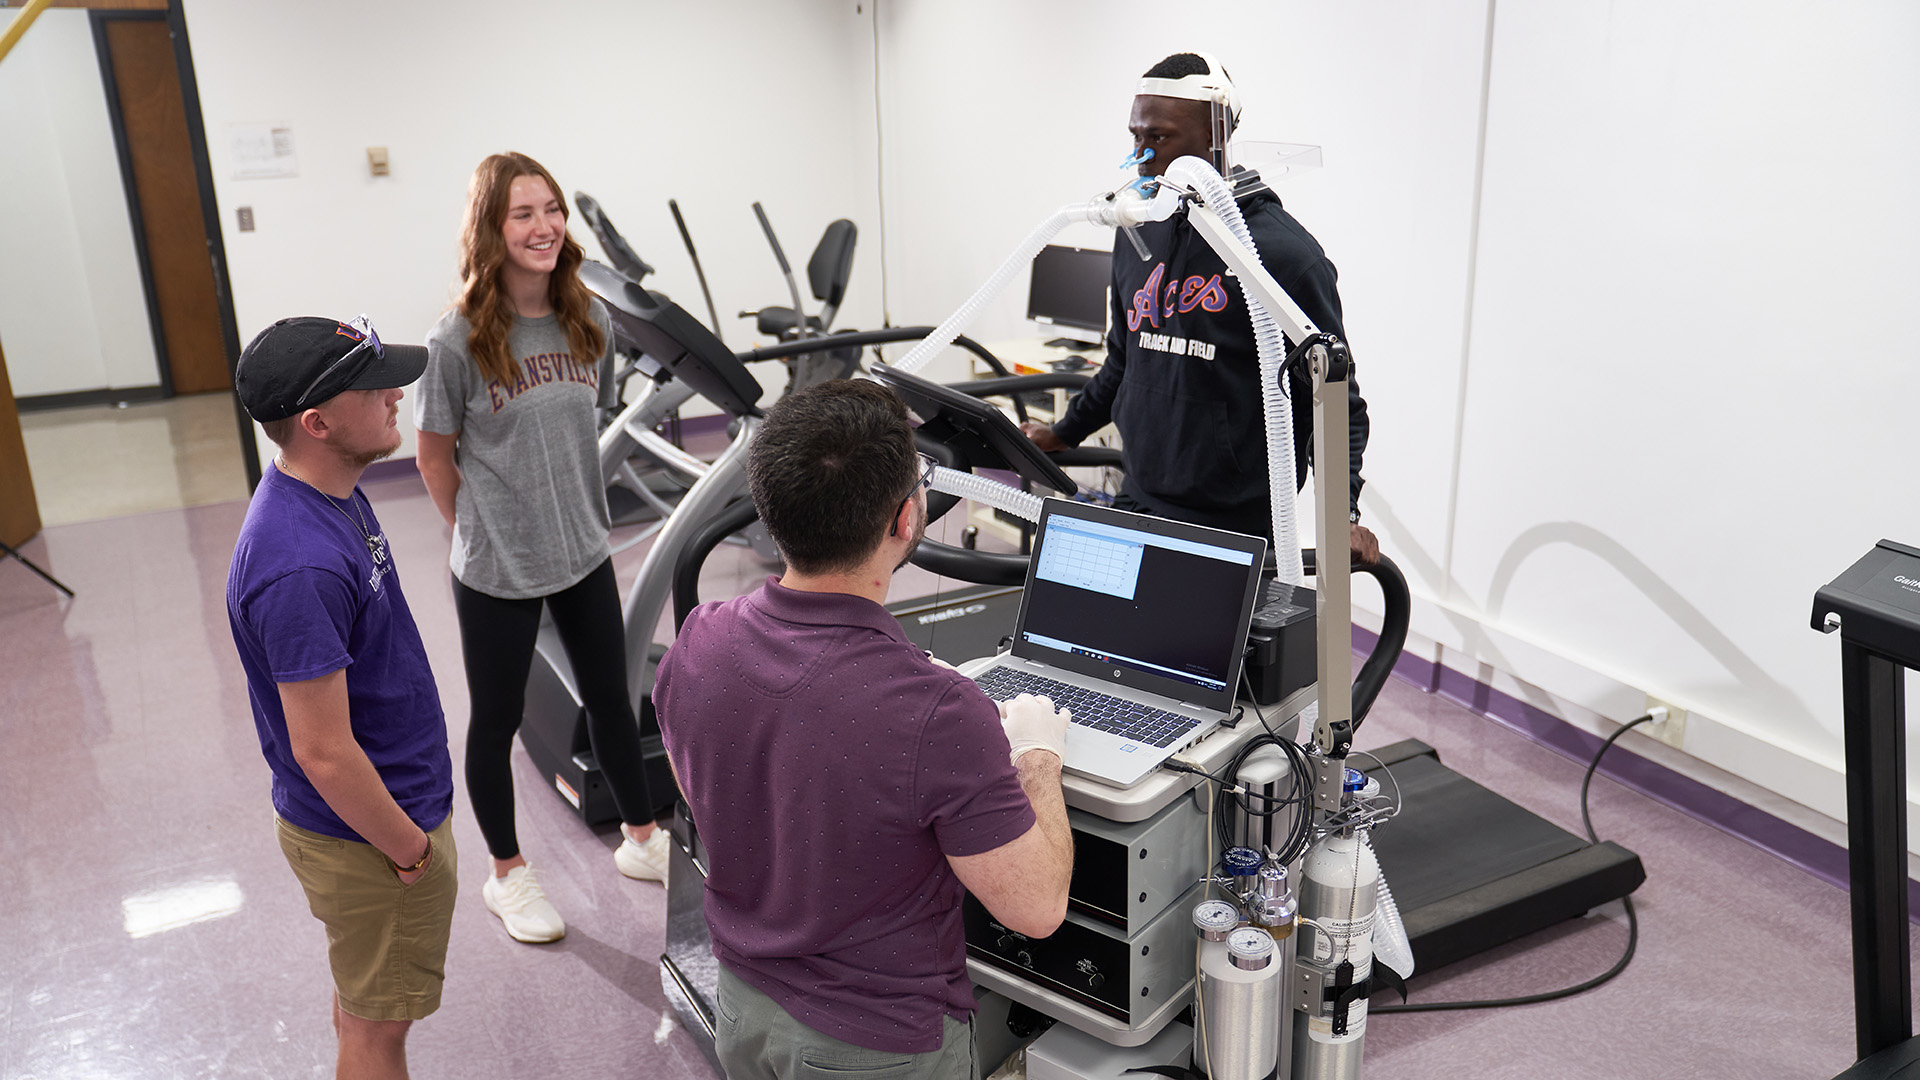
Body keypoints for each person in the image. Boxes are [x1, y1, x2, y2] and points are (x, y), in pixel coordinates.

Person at [656, 379, 1076, 1080]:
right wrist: (1036, 756)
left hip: (742, 1008)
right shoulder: (940, 712)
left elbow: (702, 786)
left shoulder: (698, 640)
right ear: (906, 519)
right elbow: (1036, 910)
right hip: (874, 1047)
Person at [414, 151, 666, 946]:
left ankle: (641, 839)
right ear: (491, 229)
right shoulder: (455, 339)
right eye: (522, 213)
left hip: (583, 550)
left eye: (551, 209)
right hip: (495, 569)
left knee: (611, 701)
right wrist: (479, 533)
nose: (544, 226)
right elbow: (432, 455)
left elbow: (578, 432)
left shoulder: (586, 321)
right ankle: (508, 876)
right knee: (496, 720)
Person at [1024, 51, 1381, 567]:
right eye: (1136, 136)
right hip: (1140, 494)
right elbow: (1124, 359)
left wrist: (1340, 516)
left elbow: (1336, 397)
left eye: (1160, 137)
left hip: (1232, 521)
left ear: (1216, 135)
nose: (1142, 157)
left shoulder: (1282, 255)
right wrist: (1064, 431)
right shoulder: (1138, 232)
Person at [226, 314, 455, 1080]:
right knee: (378, 1035)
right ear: (318, 422)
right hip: (372, 839)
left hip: (381, 818)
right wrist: (411, 853)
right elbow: (321, 751)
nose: (396, 393)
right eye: (374, 385)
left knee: (364, 1005)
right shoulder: (299, 566)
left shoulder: (328, 492)